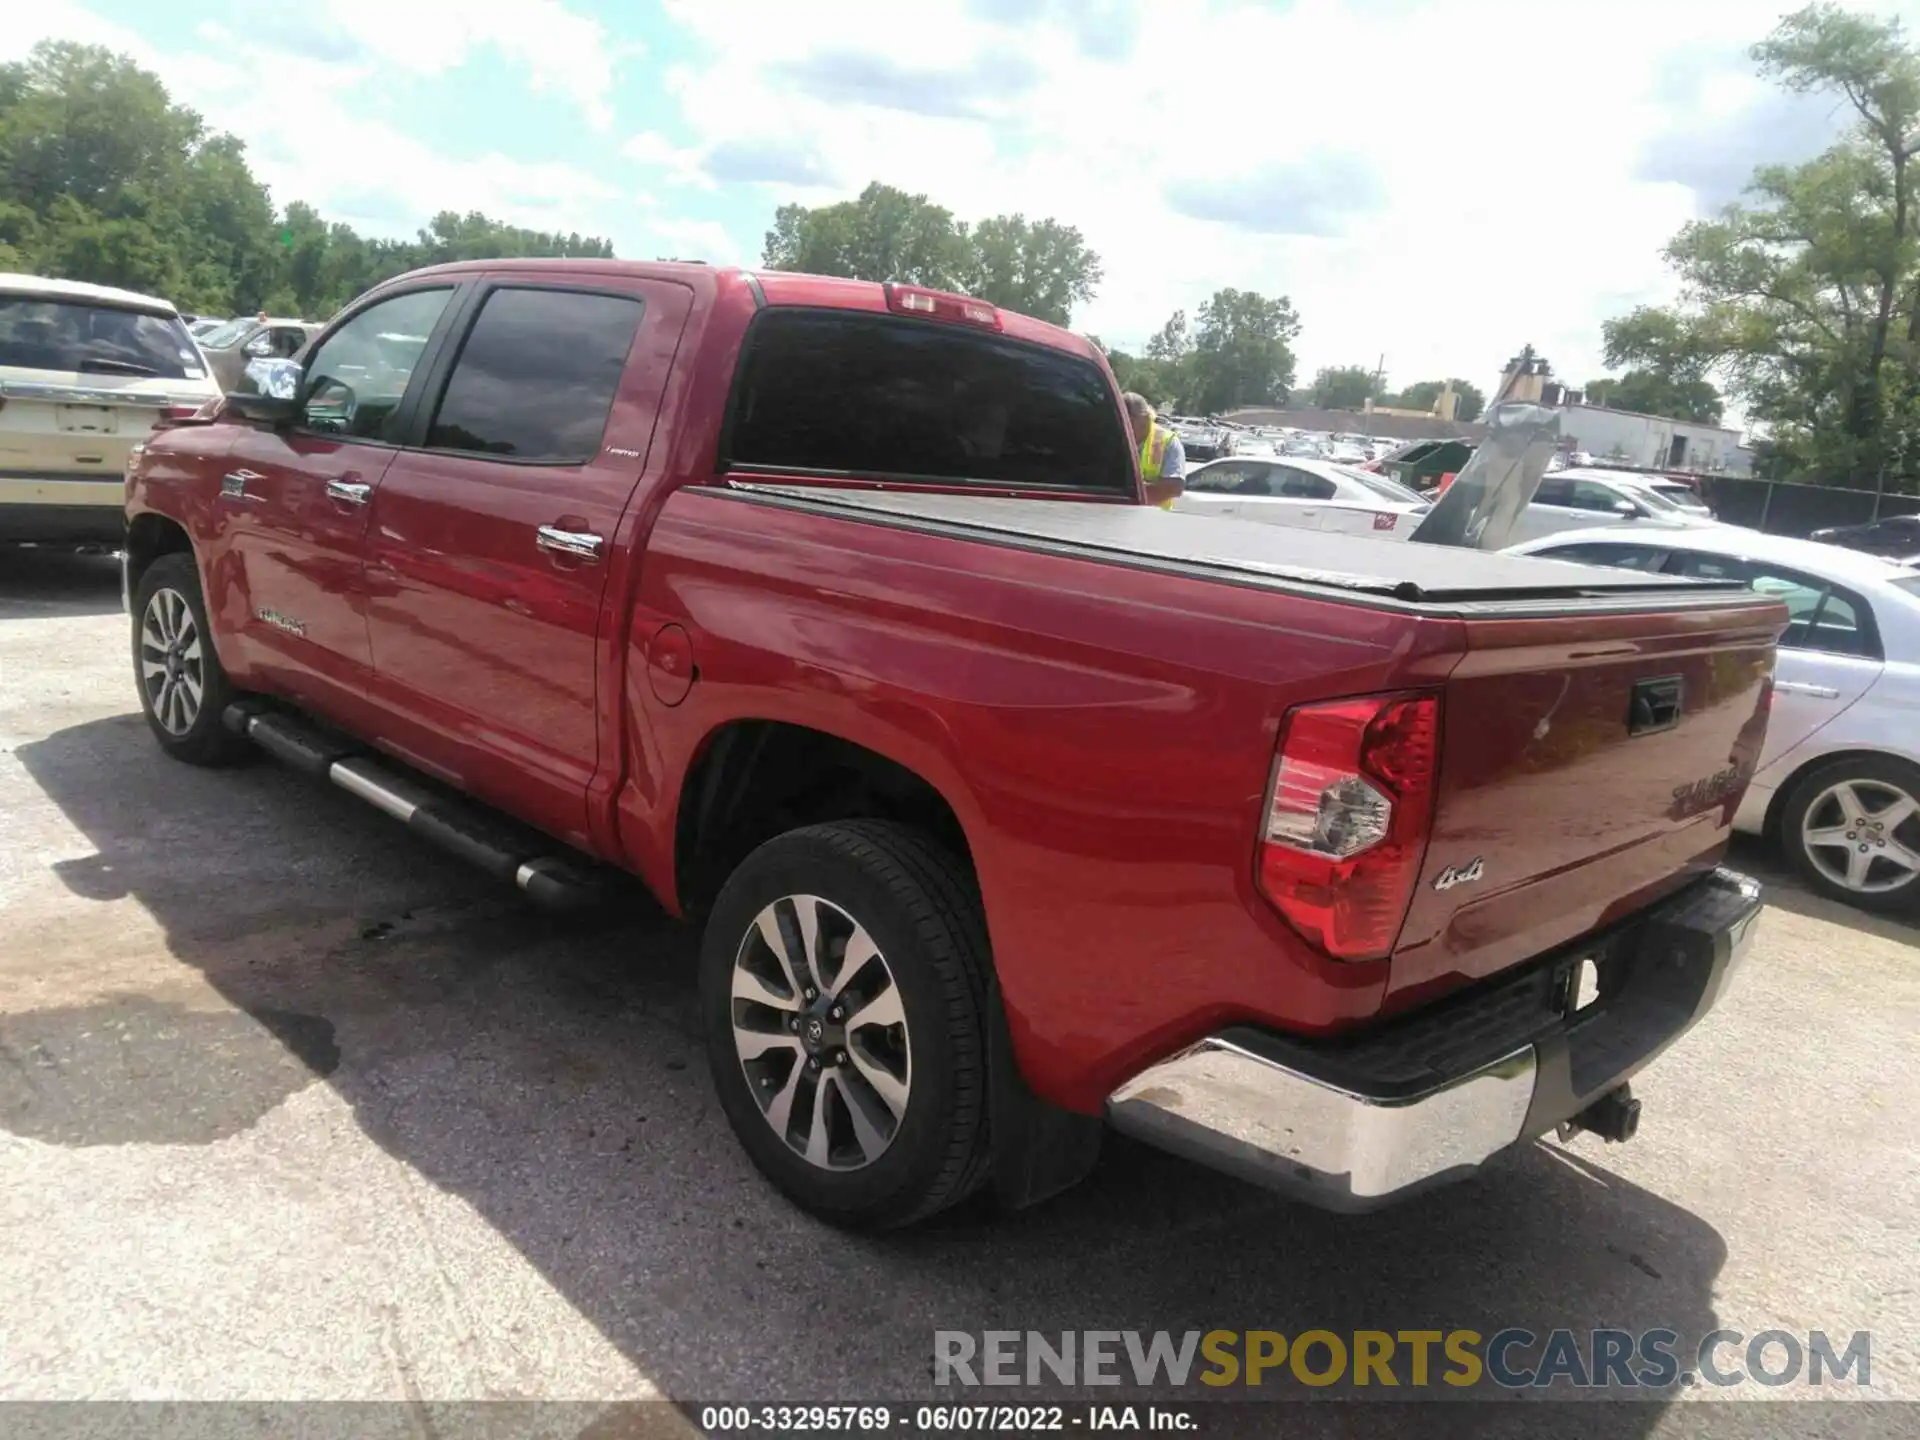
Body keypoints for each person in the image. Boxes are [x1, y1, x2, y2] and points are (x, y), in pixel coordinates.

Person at [1123, 392, 1184, 508]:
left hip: (1155, 521)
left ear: (1145, 418)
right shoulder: (1115, 438)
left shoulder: (1167, 441)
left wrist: (1130, 493)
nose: (1125, 425)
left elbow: (1174, 487)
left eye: (1130, 420)